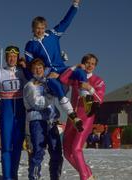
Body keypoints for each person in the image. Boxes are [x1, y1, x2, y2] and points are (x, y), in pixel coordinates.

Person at [24, 0, 91, 132]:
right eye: (37, 28)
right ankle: (72, 115)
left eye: (42, 27)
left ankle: (86, 99)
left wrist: (75, 5)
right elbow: (32, 67)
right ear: (33, 28)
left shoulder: (52, 34)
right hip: (49, 74)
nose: (40, 30)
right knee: (54, 84)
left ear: (45, 27)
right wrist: (43, 75)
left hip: (62, 68)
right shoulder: (30, 45)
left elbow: (65, 22)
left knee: (80, 71)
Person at [60, 53, 105, 180]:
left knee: (76, 149)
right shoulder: (76, 77)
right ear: (83, 63)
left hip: (86, 118)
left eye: (93, 64)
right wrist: (74, 67)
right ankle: (87, 172)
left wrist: (90, 88)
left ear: (95, 66)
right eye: (88, 63)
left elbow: (100, 100)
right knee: (67, 152)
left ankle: (84, 177)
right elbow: (63, 80)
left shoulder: (98, 81)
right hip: (72, 117)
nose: (90, 66)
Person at [0, 45, 27, 180]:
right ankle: (7, 177)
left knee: (17, 147)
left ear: (17, 58)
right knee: (6, 146)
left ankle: (13, 175)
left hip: (21, 113)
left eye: (14, 56)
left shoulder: (23, 72)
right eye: (9, 56)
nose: (12, 59)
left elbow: (36, 81)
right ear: (6, 57)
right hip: (7, 112)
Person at [23, 58, 63, 180]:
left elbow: (63, 91)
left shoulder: (48, 82)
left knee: (56, 153)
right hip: (37, 121)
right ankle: (34, 177)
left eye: (40, 67)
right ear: (31, 70)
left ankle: (55, 177)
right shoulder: (29, 85)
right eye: (35, 68)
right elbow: (38, 104)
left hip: (51, 121)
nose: (38, 70)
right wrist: (51, 93)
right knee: (38, 152)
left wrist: (59, 78)